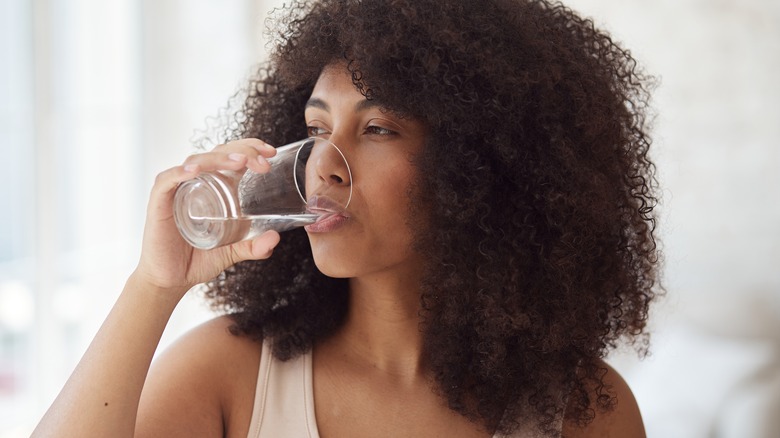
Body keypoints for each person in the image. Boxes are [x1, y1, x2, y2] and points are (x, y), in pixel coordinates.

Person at [32, 0, 660, 436]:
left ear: (484, 165)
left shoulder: (581, 411)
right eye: (316, 128)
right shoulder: (229, 374)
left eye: (379, 128)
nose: (323, 168)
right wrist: (155, 284)